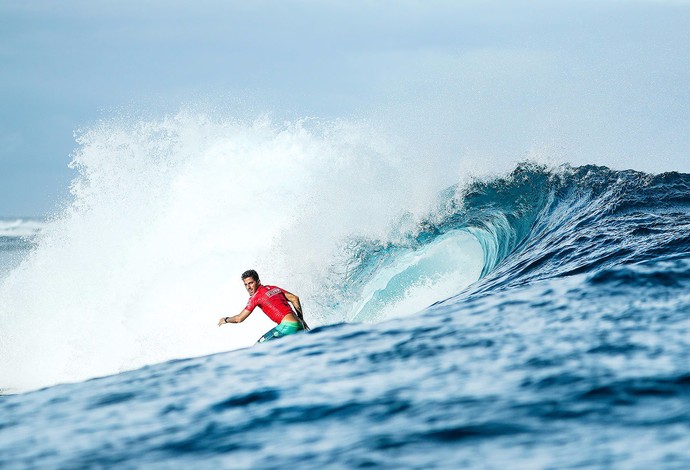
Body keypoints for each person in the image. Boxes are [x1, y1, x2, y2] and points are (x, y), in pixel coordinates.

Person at [218, 269, 310, 343]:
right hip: (299, 325)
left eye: (251, 283)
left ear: (258, 281)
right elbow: (294, 298)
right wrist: (301, 320)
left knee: (257, 349)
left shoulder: (255, 297)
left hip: (287, 326)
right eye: (245, 284)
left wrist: (226, 319)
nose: (248, 287)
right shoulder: (274, 288)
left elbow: (239, 319)